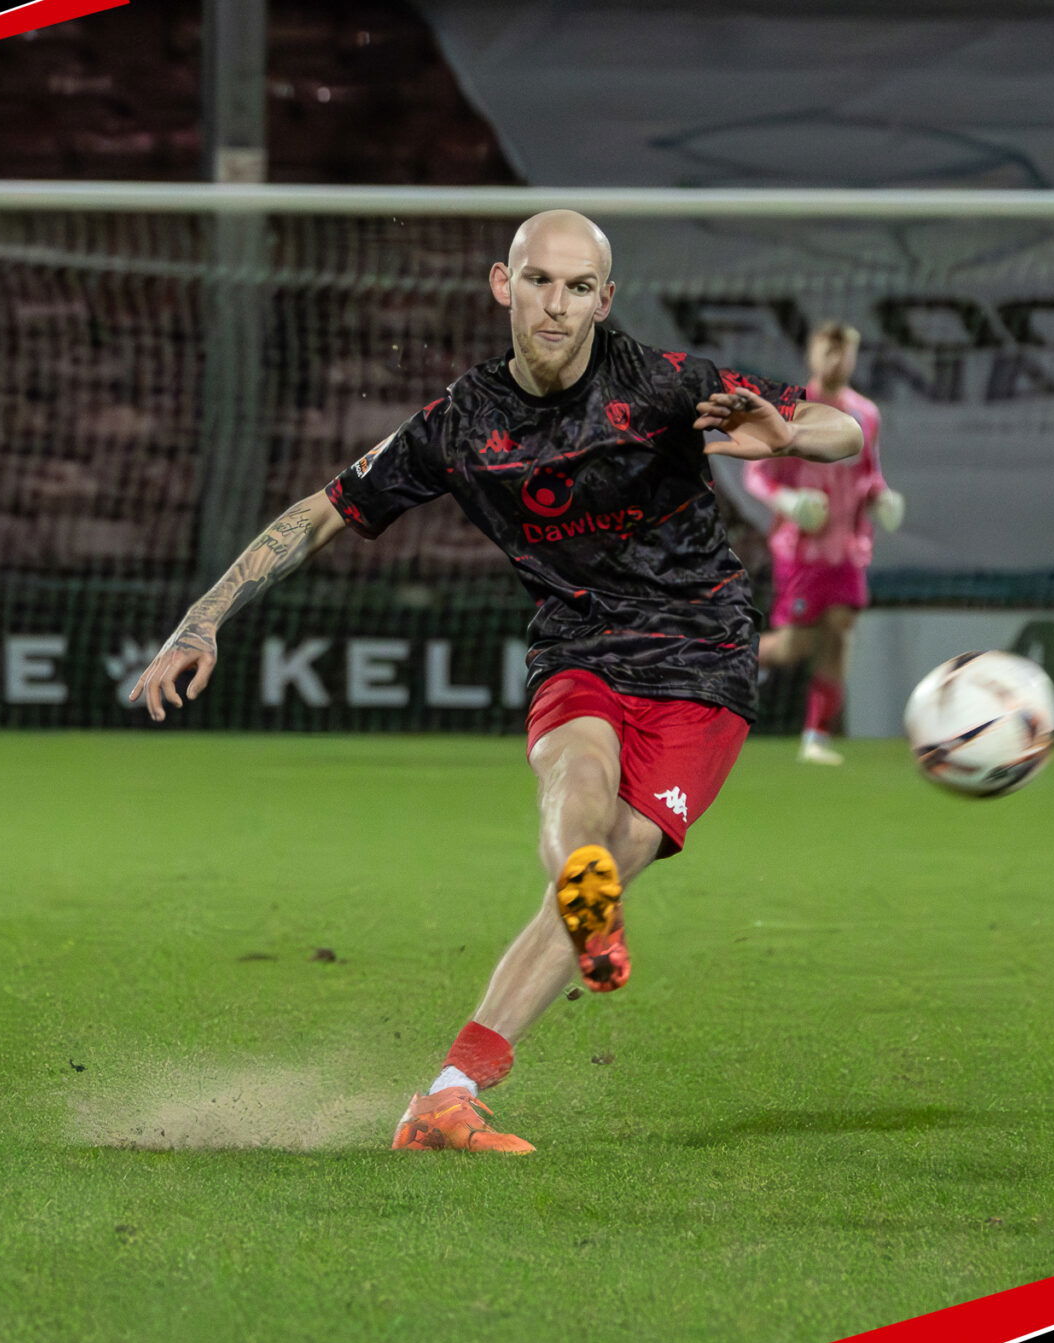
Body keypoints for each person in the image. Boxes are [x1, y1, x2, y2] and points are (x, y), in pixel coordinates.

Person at [129, 210, 862, 1153]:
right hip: (578, 643)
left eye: (578, 286)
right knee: (576, 775)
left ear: (606, 299)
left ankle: (448, 1091)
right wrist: (203, 617)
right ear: (502, 284)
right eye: (539, 280)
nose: (556, 304)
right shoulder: (461, 423)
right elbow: (324, 511)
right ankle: (561, 929)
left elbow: (844, 427)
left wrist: (790, 435)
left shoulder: (666, 382)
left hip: (703, 657)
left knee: (624, 843)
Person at [745, 322, 903, 765]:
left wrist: (881, 497)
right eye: (829, 351)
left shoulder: (865, 414)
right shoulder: (790, 409)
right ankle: (716, 661)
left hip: (848, 549)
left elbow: (868, 472)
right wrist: (788, 501)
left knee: (839, 633)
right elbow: (757, 473)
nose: (837, 360)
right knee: (794, 646)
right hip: (801, 550)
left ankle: (816, 736)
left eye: (845, 352)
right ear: (812, 355)